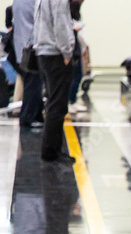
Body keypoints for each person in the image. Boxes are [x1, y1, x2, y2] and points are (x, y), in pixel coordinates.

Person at [32, 0, 75, 163]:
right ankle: (51, 152)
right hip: (56, 55)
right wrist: (67, 53)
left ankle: (51, 149)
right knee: (57, 104)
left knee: (52, 102)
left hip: (43, 53)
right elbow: (61, 25)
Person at [12, 0, 43, 129]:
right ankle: (28, 117)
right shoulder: (32, 3)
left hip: (21, 47)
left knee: (31, 83)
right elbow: (39, 22)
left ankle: (35, 115)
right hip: (31, 48)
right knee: (33, 84)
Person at [67, 0, 86, 115]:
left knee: (77, 75)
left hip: (75, 48)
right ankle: (70, 101)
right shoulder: (71, 8)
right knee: (75, 76)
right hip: (72, 49)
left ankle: (72, 100)